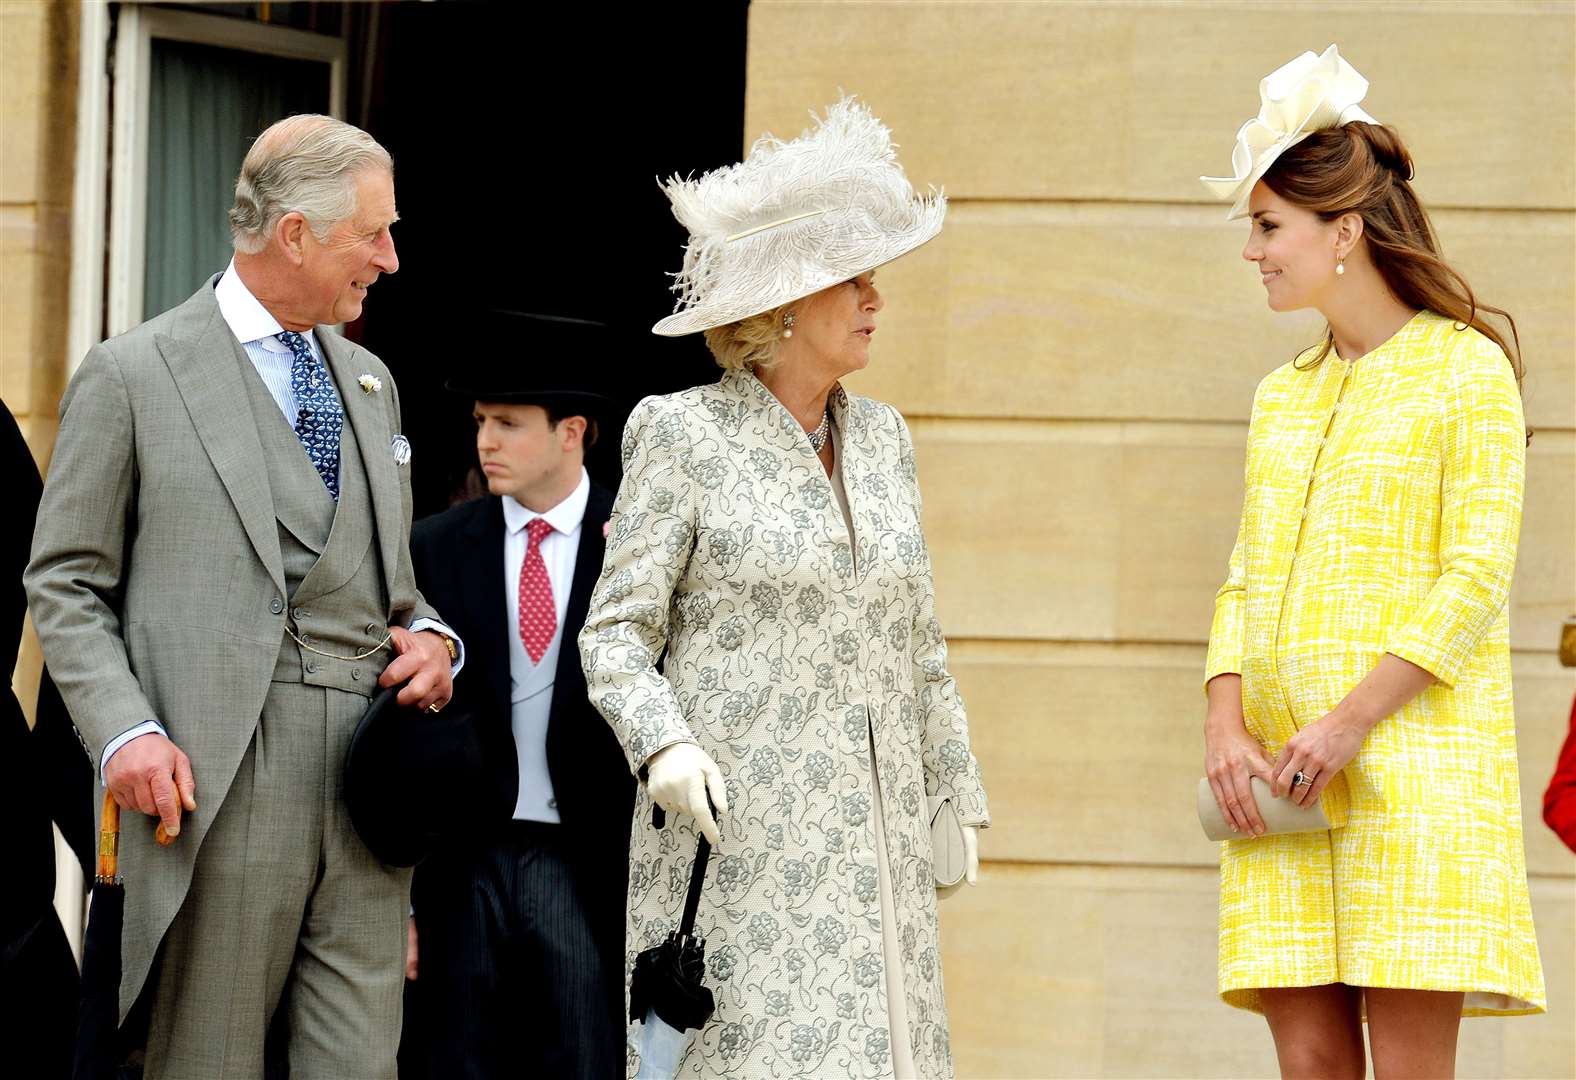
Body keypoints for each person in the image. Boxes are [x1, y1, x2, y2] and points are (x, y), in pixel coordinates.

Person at [25, 114, 461, 1079]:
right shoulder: (133, 373)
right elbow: (64, 580)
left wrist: (433, 640)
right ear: (295, 231)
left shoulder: (374, 382)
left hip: (365, 792)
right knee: (204, 1063)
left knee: (358, 1065)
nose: (390, 258)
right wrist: (123, 732)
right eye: (373, 233)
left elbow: (393, 590)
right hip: (212, 784)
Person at [579, 97, 989, 1079]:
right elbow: (614, 634)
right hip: (744, 840)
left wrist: (954, 789)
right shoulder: (682, 433)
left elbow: (918, 635)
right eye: (854, 281)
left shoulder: (886, 438)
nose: (876, 301)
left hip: (879, 843)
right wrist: (663, 744)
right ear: (781, 306)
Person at [1198, 46, 1545, 1078]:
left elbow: (1475, 580)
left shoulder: (1465, 371)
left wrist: (1349, 722)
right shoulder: (1282, 394)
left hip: (1412, 777)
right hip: (1279, 777)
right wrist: (1223, 720)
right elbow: (1242, 575)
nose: (1252, 252)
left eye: (1268, 228)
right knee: (1308, 1063)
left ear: (1343, 231)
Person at [403, 312, 633, 1078]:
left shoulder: (636, 542)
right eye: (479, 422)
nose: (485, 442)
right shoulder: (434, 546)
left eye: (508, 423)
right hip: (464, 856)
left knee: (584, 1058)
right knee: (453, 1060)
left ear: (573, 432)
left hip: (589, 856)